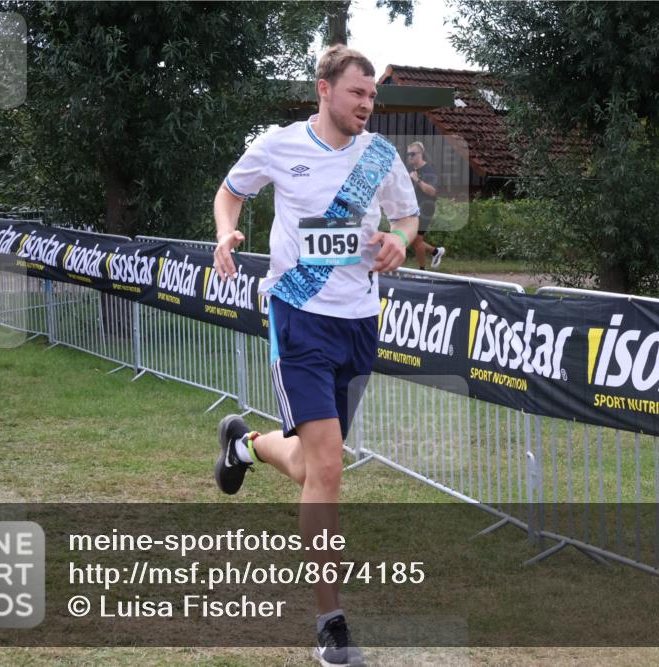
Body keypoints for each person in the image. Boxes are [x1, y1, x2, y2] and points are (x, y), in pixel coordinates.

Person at [212, 44, 418, 667]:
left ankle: (242, 445)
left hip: (359, 324)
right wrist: (226, 231)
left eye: (372, 96)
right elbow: (230, 192)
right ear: (324, 90)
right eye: (357, 93)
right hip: (297, 317)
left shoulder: (379, 156)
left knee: (310, 466)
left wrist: (399, 243)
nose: (367, 105)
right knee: (328, 467)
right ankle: (331, 624)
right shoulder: (278, 145)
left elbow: (407, 218)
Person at [406, 141, 445, 270]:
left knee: (416, 240)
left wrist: (418, 180)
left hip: (426, 209)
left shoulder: (429, 170)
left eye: (413, 154)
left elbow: (433, 192)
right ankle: (435, 252)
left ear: (421, 154)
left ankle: (422, 271)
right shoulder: (410, 169)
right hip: (414, 209)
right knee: (413, 240)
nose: (410, 157)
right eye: (408, 154)